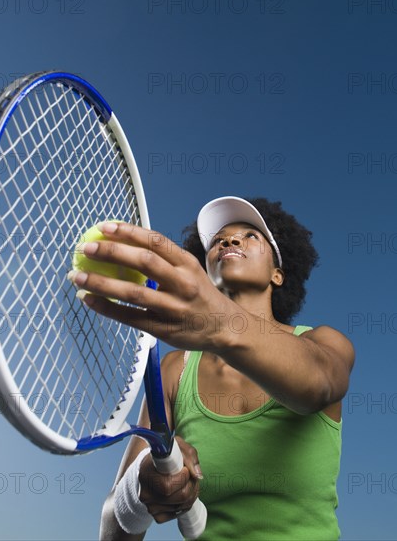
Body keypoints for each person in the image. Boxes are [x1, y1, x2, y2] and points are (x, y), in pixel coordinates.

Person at [71, 196, 354, 540]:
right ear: (205, 271)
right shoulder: (175, 370)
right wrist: (139, 489)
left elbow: (318, 385)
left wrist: (221, 323)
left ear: (277, 274)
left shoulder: (323, 342)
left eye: (250, 236)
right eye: (217, 240)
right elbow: (113, 525)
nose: (229, 241)